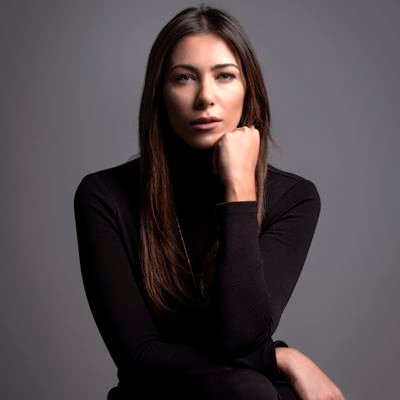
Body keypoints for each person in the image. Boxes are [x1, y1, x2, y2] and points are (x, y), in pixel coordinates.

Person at [73, 5, 345, 400]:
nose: (205, 98)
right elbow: (138, 355)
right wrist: (281, 358)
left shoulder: (293, 198)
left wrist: (239, 190)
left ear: (249, 89)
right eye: (184, 78)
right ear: (160, 93)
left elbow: (241, 336)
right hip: (155, 392)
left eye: (225, 76)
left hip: (247, 390)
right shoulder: (104, 195)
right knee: (249, 388)